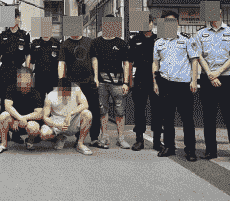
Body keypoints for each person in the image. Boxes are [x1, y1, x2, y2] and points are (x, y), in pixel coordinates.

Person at [193, 8, 230, 165]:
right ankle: (210, 151)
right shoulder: (201, 33)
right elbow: (198, 55)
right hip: (207, 79)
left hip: (227, 79)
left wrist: (218, 72)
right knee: (208, 116)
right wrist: (211, 74)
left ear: (220, 13)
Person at [153, 11, 199, 162]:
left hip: (183, 85)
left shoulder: (186, 40)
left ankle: (190, 150)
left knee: (187, 119)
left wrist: (194, 80)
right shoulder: (159, 42)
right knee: (167, 118)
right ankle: (169, 147)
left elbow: (194, 60)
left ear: (177, 23)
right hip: (165, 84)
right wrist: (155, 82)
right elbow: (155, 63)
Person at [92, 14, 131, 149]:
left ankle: (121, 138)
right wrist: (95, 78)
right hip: (102, 83)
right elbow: (95, 61)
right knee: (103, 110)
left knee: (120, 111)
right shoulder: (96, 42)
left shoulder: (121, 43)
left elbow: (126, 63)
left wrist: (126, 82)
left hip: (118, 83)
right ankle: (104, 137)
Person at [57, 32, 101, 148]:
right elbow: (61, 63)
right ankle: (79, 138)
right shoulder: (65, 44)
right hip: (73, 83)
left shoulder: (89, 41)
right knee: (76, 110)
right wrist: (61, 81)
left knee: (94, 109)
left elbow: (94, 60)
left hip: (89, 81)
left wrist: (96, 77)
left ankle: (94, 138)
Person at [0, 8, 31, 143]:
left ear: (17, 18)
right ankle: (3, 133)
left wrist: (27, 72)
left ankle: (16, 134)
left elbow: (28, 55)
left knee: (19, 102)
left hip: (19, 72)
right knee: (3, 102)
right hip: (5, 71)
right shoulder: (2, 35)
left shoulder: (24, 35)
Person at [129, 14, 164, 152]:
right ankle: (139, 140)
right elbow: (130, 60)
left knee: (158, 110)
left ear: (152, 23)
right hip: (140, 78)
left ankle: (157, 141)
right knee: (139, 109)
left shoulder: (159, 39)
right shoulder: (135, 40)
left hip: (156, 78)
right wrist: (129, 81)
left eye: (148, 22)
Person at [0, 67, 44, 153]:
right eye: (21, 79)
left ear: (31, 80)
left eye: (26, 79)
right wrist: (19, 118)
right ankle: (3, 144)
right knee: (3, 116)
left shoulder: (36, 92)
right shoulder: (11, 88)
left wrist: (24, 119)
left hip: (28, 123)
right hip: (14, 122)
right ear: (18, 79)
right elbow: (7, 106)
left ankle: (29, 142)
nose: (24, 82)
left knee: (33, 127)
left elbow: (39, 113)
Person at [40, 80, 94, 155]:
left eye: (69, 91)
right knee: (44, 134)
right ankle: (60, 137)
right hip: (56, 123)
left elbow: (85, 105)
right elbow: (45, 117)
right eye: (64, 92)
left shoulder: (76, 89)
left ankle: (80, 144)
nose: (67, 94)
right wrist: (57, 125)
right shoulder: (50, 96)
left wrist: (71, 113)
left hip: (71, 122)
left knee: (87, 114)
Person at [27, 27, 62, 98]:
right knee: (39, 99)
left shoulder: (57, 43)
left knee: (53, 99)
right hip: (39, 77)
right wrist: (28, 76)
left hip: (53, 77)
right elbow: (31, 62)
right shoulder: (35, 43)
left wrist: (61, 78)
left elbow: (60, 63)